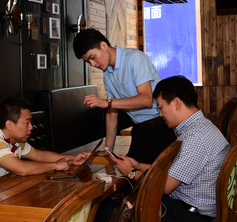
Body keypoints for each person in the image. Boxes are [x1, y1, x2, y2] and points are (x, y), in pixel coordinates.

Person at [108, 76, 231, 222]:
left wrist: (131, 173)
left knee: (109, 213)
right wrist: (139, 166)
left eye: (161, 107)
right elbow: (174, 172)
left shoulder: (195, 137)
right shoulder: (200, 127)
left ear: (177, 103)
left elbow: (165, 186)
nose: (160, 114)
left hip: (188, 215)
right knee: (121, 204)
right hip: (190, 207)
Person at [73, 28, 175, 166]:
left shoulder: (134, 58)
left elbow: (147, 99)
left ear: (103, 45)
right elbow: (112, 113)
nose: (93, 64)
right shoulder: (107, 75)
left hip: (162, 127)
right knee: (126, 176)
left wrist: (107, 102)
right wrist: (108, 150)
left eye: (92, 57)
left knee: (157, 180)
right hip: (139, 130)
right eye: (88, 62)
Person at [0, 97, 87, 192]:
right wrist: (55, 165)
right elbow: (21, 169)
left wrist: (72, 158)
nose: (31, 127)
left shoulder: (16, 141)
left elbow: (39, 155)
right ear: (9, 125)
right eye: (27, 122)